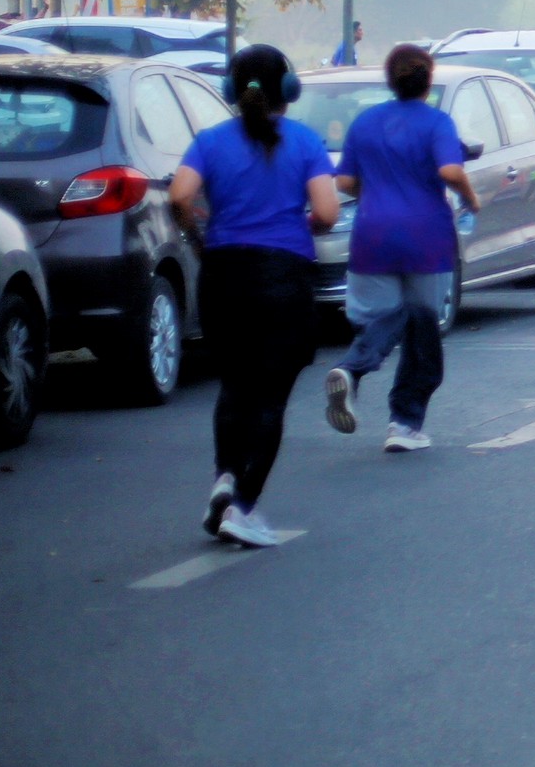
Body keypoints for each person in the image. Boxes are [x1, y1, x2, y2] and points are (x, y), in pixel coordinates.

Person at [172, 46, 340, 546]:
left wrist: (197, 236)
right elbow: (327, 213)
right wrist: (301, 225)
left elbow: (180, 195)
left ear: (230, 89)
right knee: (271, 395)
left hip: (223, 274)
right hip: (282, 278)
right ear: (289, 90)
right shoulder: (305, 142)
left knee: (235, 384)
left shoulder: (209, 141)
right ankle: (242, 507)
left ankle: (224, 476)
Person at [321, 44, 473, 450]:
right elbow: (450, 170)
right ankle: (404, 423)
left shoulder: (365, 122)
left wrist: (377, 189)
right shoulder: (438, 122)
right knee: (422, 324)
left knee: (382, 319)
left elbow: (345, 182)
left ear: (390, 81)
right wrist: (471, 197)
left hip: (372, 234)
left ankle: (352, 369)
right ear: (428, 81)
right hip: (427, 236)